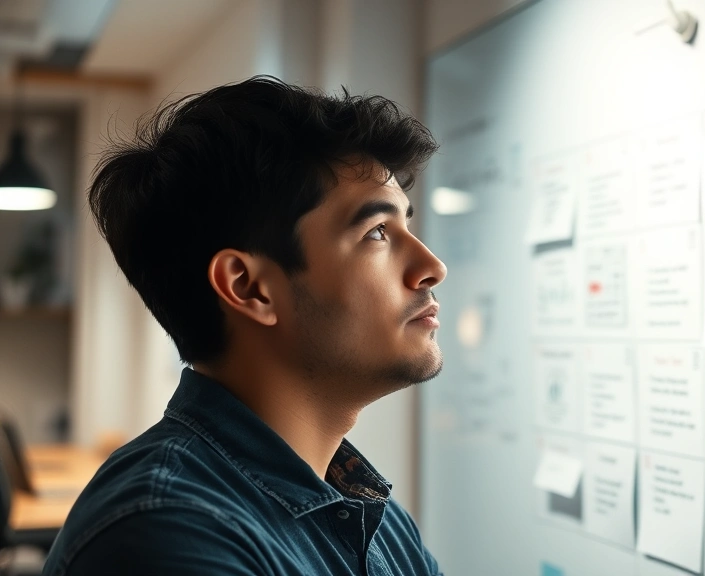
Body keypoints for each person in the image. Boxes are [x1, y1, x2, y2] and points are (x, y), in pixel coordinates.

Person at [42, 76, 447, 575]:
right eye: (378, 232)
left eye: (408, 224)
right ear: (249, 288)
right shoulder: (168, 533)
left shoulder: (375, 520)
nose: (431, 265)